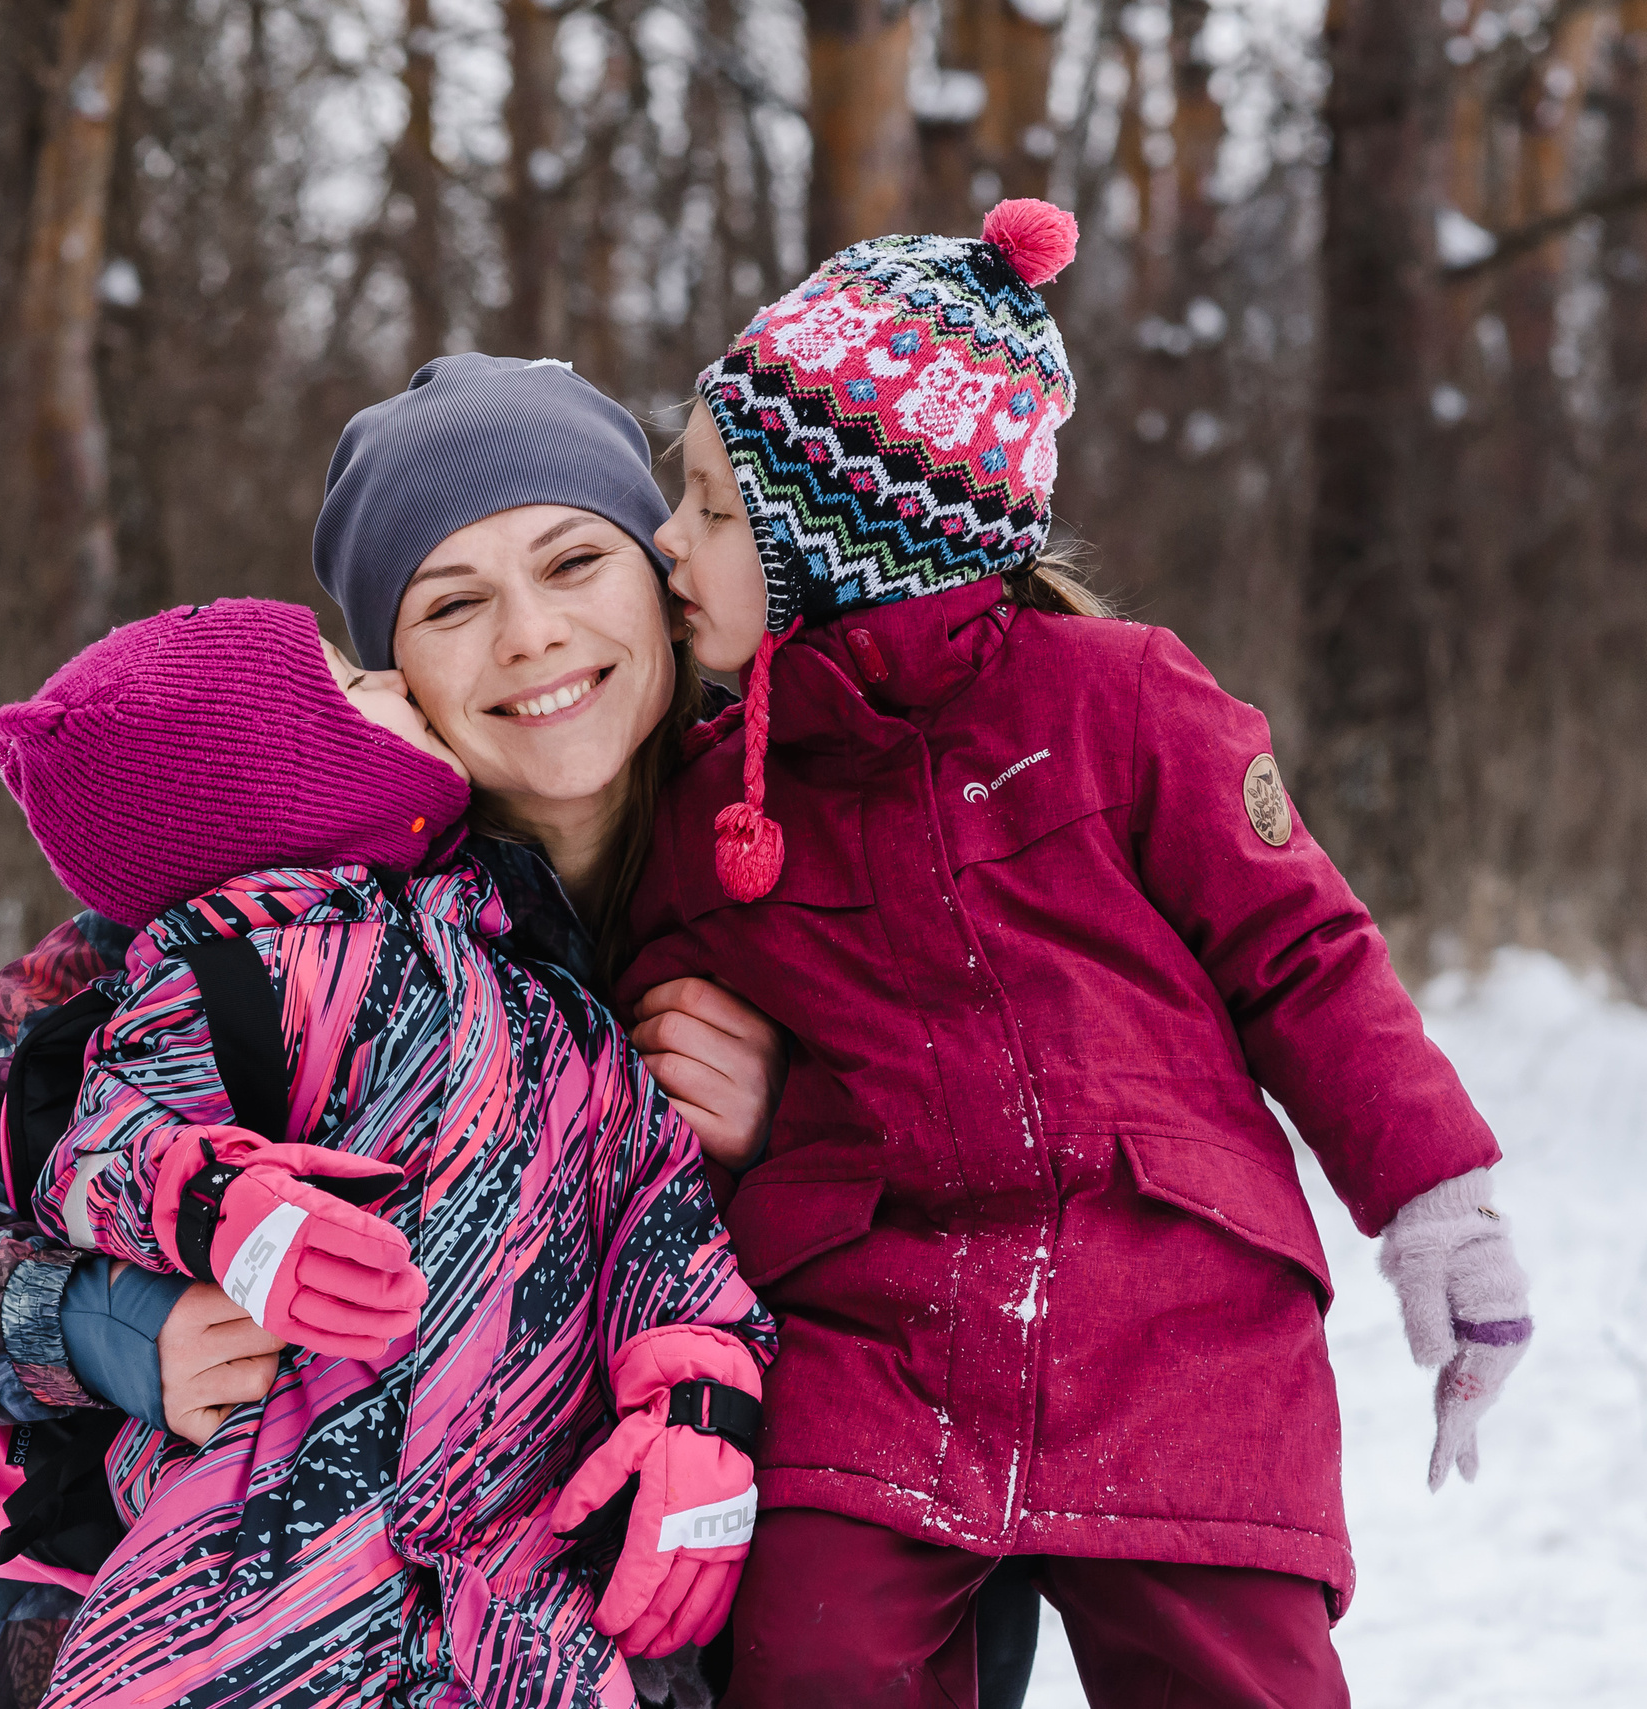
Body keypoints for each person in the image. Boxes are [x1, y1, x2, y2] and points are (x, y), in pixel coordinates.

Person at [0, 354, 1044, 1707]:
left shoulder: (815, 857)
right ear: (386, 670)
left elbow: (1032, 1228)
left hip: (611, 1613)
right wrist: (107, 1322)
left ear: (664, 579)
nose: (529, 635)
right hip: (187, 1612)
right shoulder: (256, 913)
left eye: (575, 562)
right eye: (454, 602)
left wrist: (799, 1130)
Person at [622, 199, 1536, 1707]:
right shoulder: (721, 803)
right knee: (814, 1662)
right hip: (880, 1330)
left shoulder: (1121, 704)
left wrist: (1436, 1201)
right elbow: (649, 1043)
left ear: (842, 538)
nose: (670, 540)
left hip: (1172, 1307)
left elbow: (1302, 949)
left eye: (716, 508)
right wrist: (739, 1122)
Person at [0, 597, 774, 1708]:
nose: (396, 684)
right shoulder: (229, 975)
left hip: (516, 1582)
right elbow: (105, 1141)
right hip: (266, 1573)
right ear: (272, 783)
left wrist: (701, 1408)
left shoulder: (536, 993)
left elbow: (655, 1205)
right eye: (355, 687)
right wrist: (224, 1211)